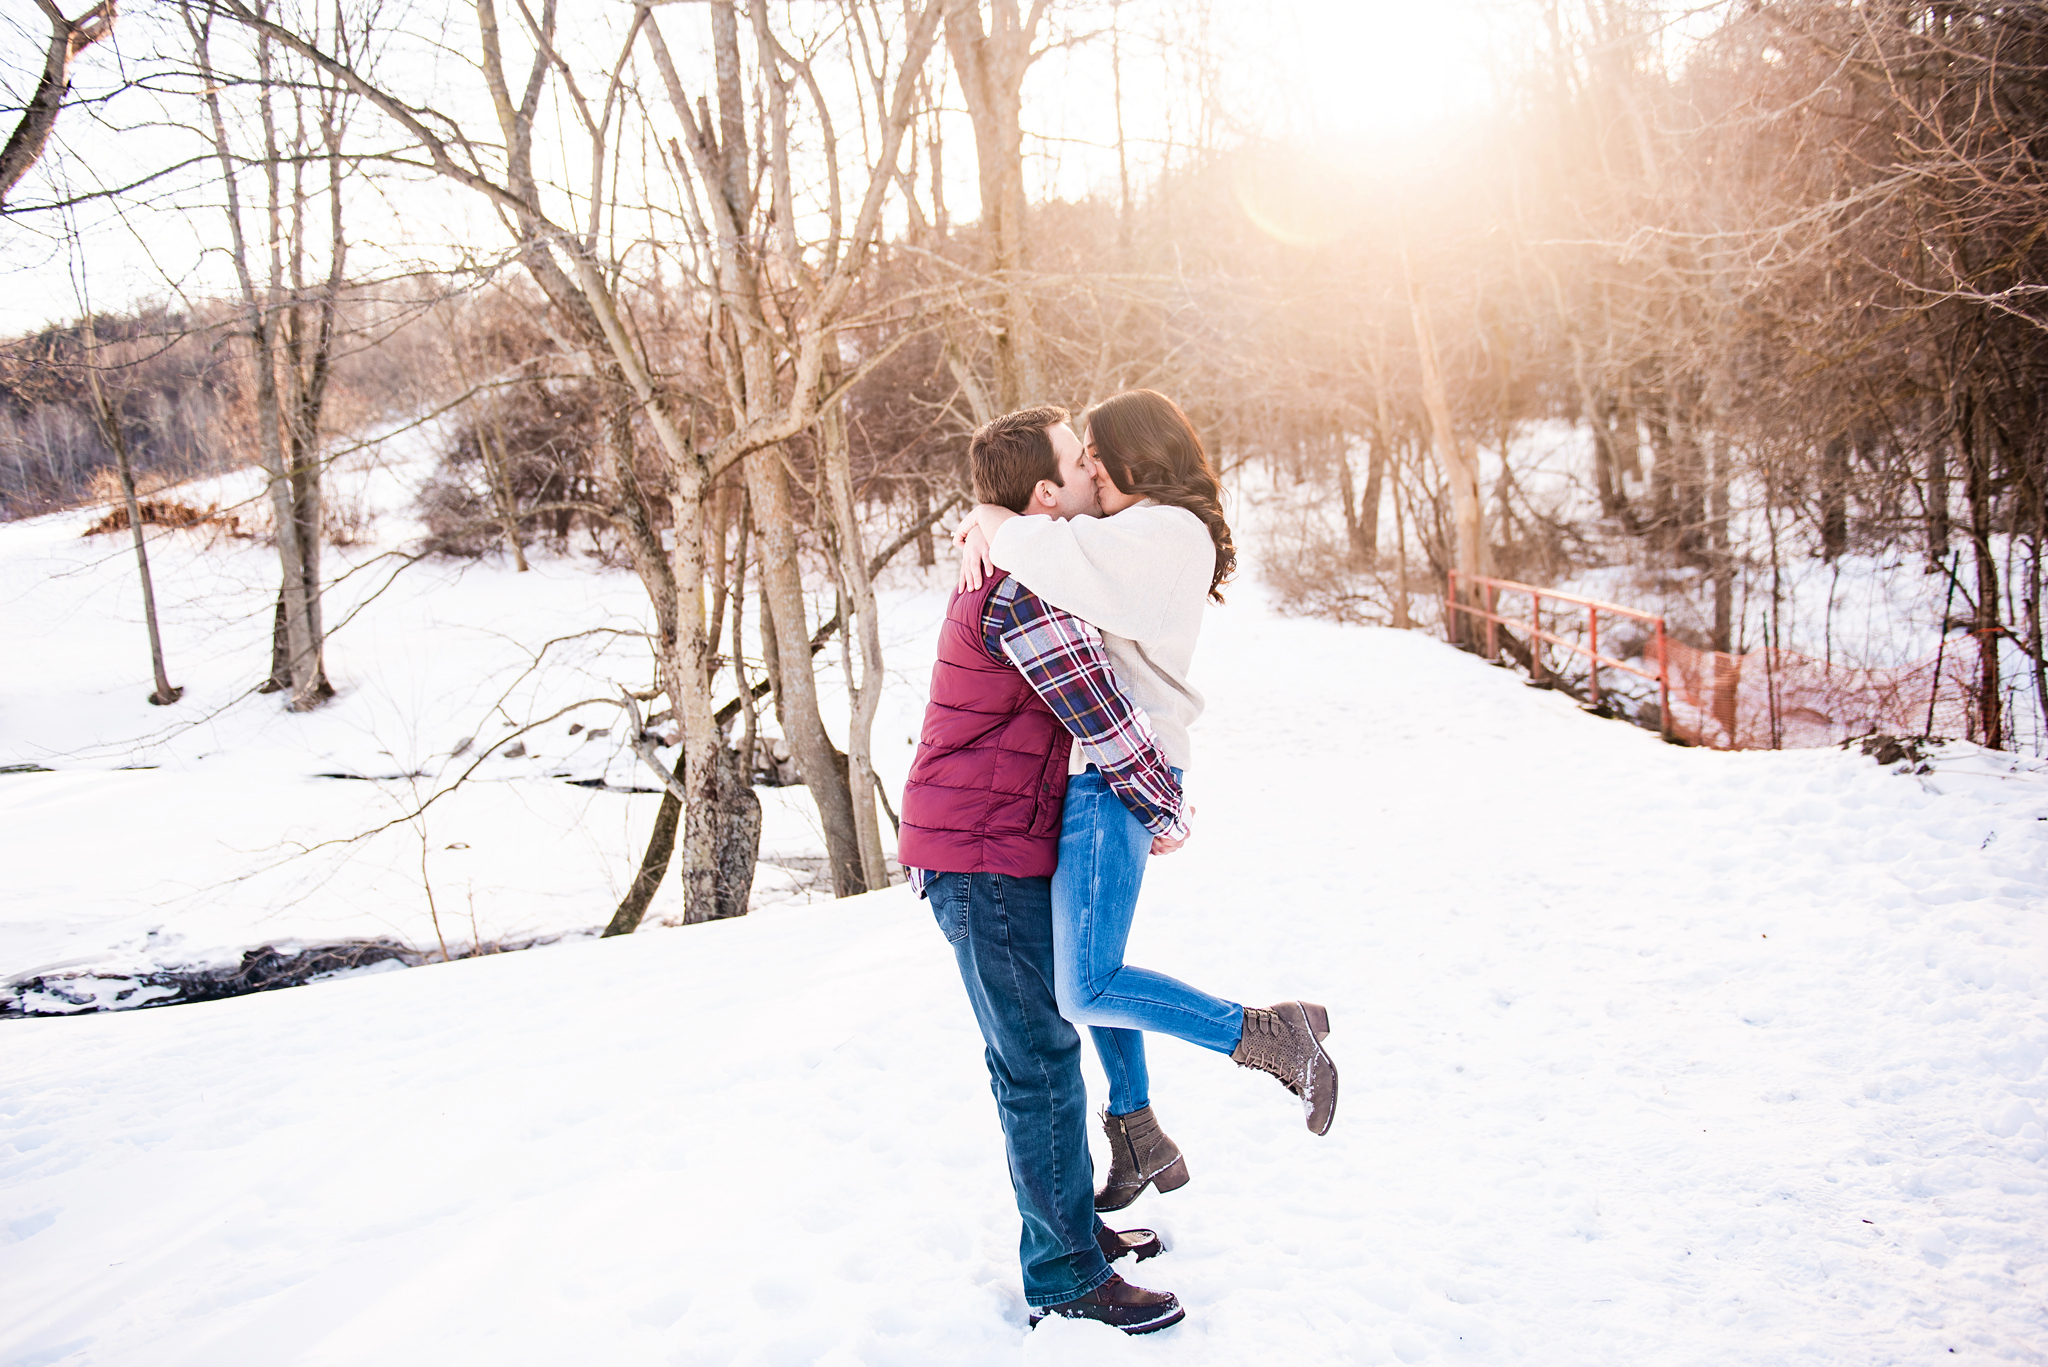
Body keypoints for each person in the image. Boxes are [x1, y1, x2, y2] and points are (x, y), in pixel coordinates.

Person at [956, 388, 1337, 1218]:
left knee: (1086, 986)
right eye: (1081, 454)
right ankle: (1134, 1127)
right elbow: (1046, 537)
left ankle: (1266, 1035)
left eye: (1097, 452)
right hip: (1094, 774)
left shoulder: (1168, 533)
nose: (1088, 465)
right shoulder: (1136, 531)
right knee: (1090, 967)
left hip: (1117, 774)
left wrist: (992, 518)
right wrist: (989, 520)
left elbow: (1047, 551)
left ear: (1138, 457)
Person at [899, 405, 1188, 1335]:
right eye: (1080, 462)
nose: (1095, 475)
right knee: (1035, 1064)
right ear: (1044, 496)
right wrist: (1167, 808)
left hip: (987, 846)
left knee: (1043, 1050)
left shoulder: (1030, 561)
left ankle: (1076, 1236)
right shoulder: (1028, 593)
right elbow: (1102, 717)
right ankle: (1064, 1269)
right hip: (978, 856)